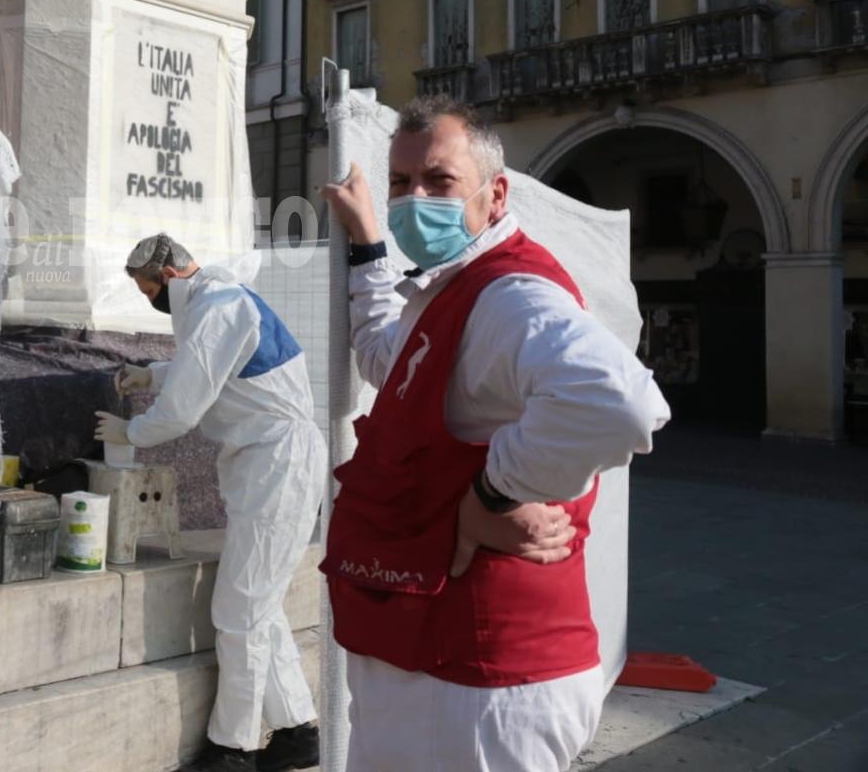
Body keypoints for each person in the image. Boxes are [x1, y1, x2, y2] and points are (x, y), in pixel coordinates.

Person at [319, 97, 670, 772]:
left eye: (439, 181)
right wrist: (367, 245)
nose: (413, 198)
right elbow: (380, 355)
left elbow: (617, 402)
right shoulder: (448, 292)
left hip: (476, 680)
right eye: (400, 182)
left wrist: (494, 493)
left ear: (495, 193)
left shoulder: (508, 294)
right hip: (433, 665)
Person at [95, 235, 326, 772]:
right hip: (268, 464)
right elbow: (207, 368)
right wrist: (150, 374)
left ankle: (233, 748)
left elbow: (181, 411)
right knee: (257, 606)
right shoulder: (220, 303)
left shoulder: (219, 308)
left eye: (146, 289)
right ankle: (296, 732)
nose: (146, 299)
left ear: (169, 279)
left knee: (239, 610)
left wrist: (131, 431)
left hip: (277, 465)